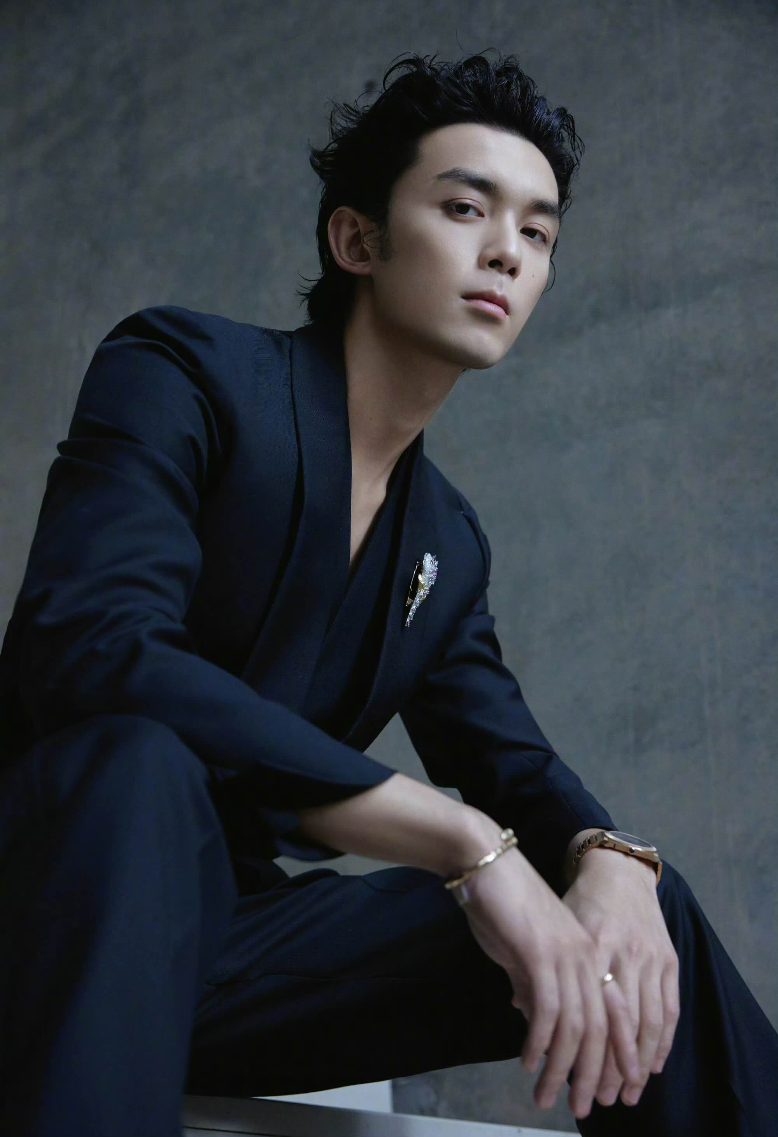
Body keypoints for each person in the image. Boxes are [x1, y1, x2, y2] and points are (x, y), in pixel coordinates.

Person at [0, 50, 775, 1137]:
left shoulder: (444, 543)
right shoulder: (182, 371)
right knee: (138, 761)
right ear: (356, 240)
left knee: (638, 925)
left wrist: (611, 858)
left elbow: (515, 764)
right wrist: (460, 839)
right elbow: (94, 648)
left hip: (226, 954)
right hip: (51, 911)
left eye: (539, 233)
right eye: (465, 208)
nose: (506, 250)